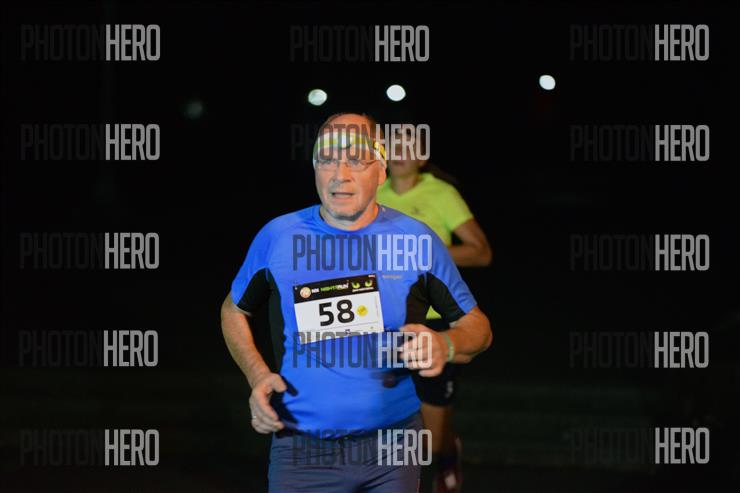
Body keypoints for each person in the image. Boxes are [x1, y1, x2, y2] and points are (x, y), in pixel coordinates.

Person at [221, 113, 492, 492]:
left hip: (393, 448)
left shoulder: (416, 239)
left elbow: (478, 328)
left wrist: (445, 343)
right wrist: (257, 375)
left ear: (381, 171)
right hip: (300, 448)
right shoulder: (278, 236)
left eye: (356, 159)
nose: (340, 174)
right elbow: (234, 309)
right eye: (327, 159)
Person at [377, 122, 493, 493]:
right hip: (383, 323)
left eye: (408, 147)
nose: (399, 154)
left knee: (429, 439)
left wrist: (425, 254)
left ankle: (446, 453)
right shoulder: (372, 192)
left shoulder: (441, 194)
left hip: (433, 324)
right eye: (393, 147)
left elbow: (481, 252)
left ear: (422, 157)